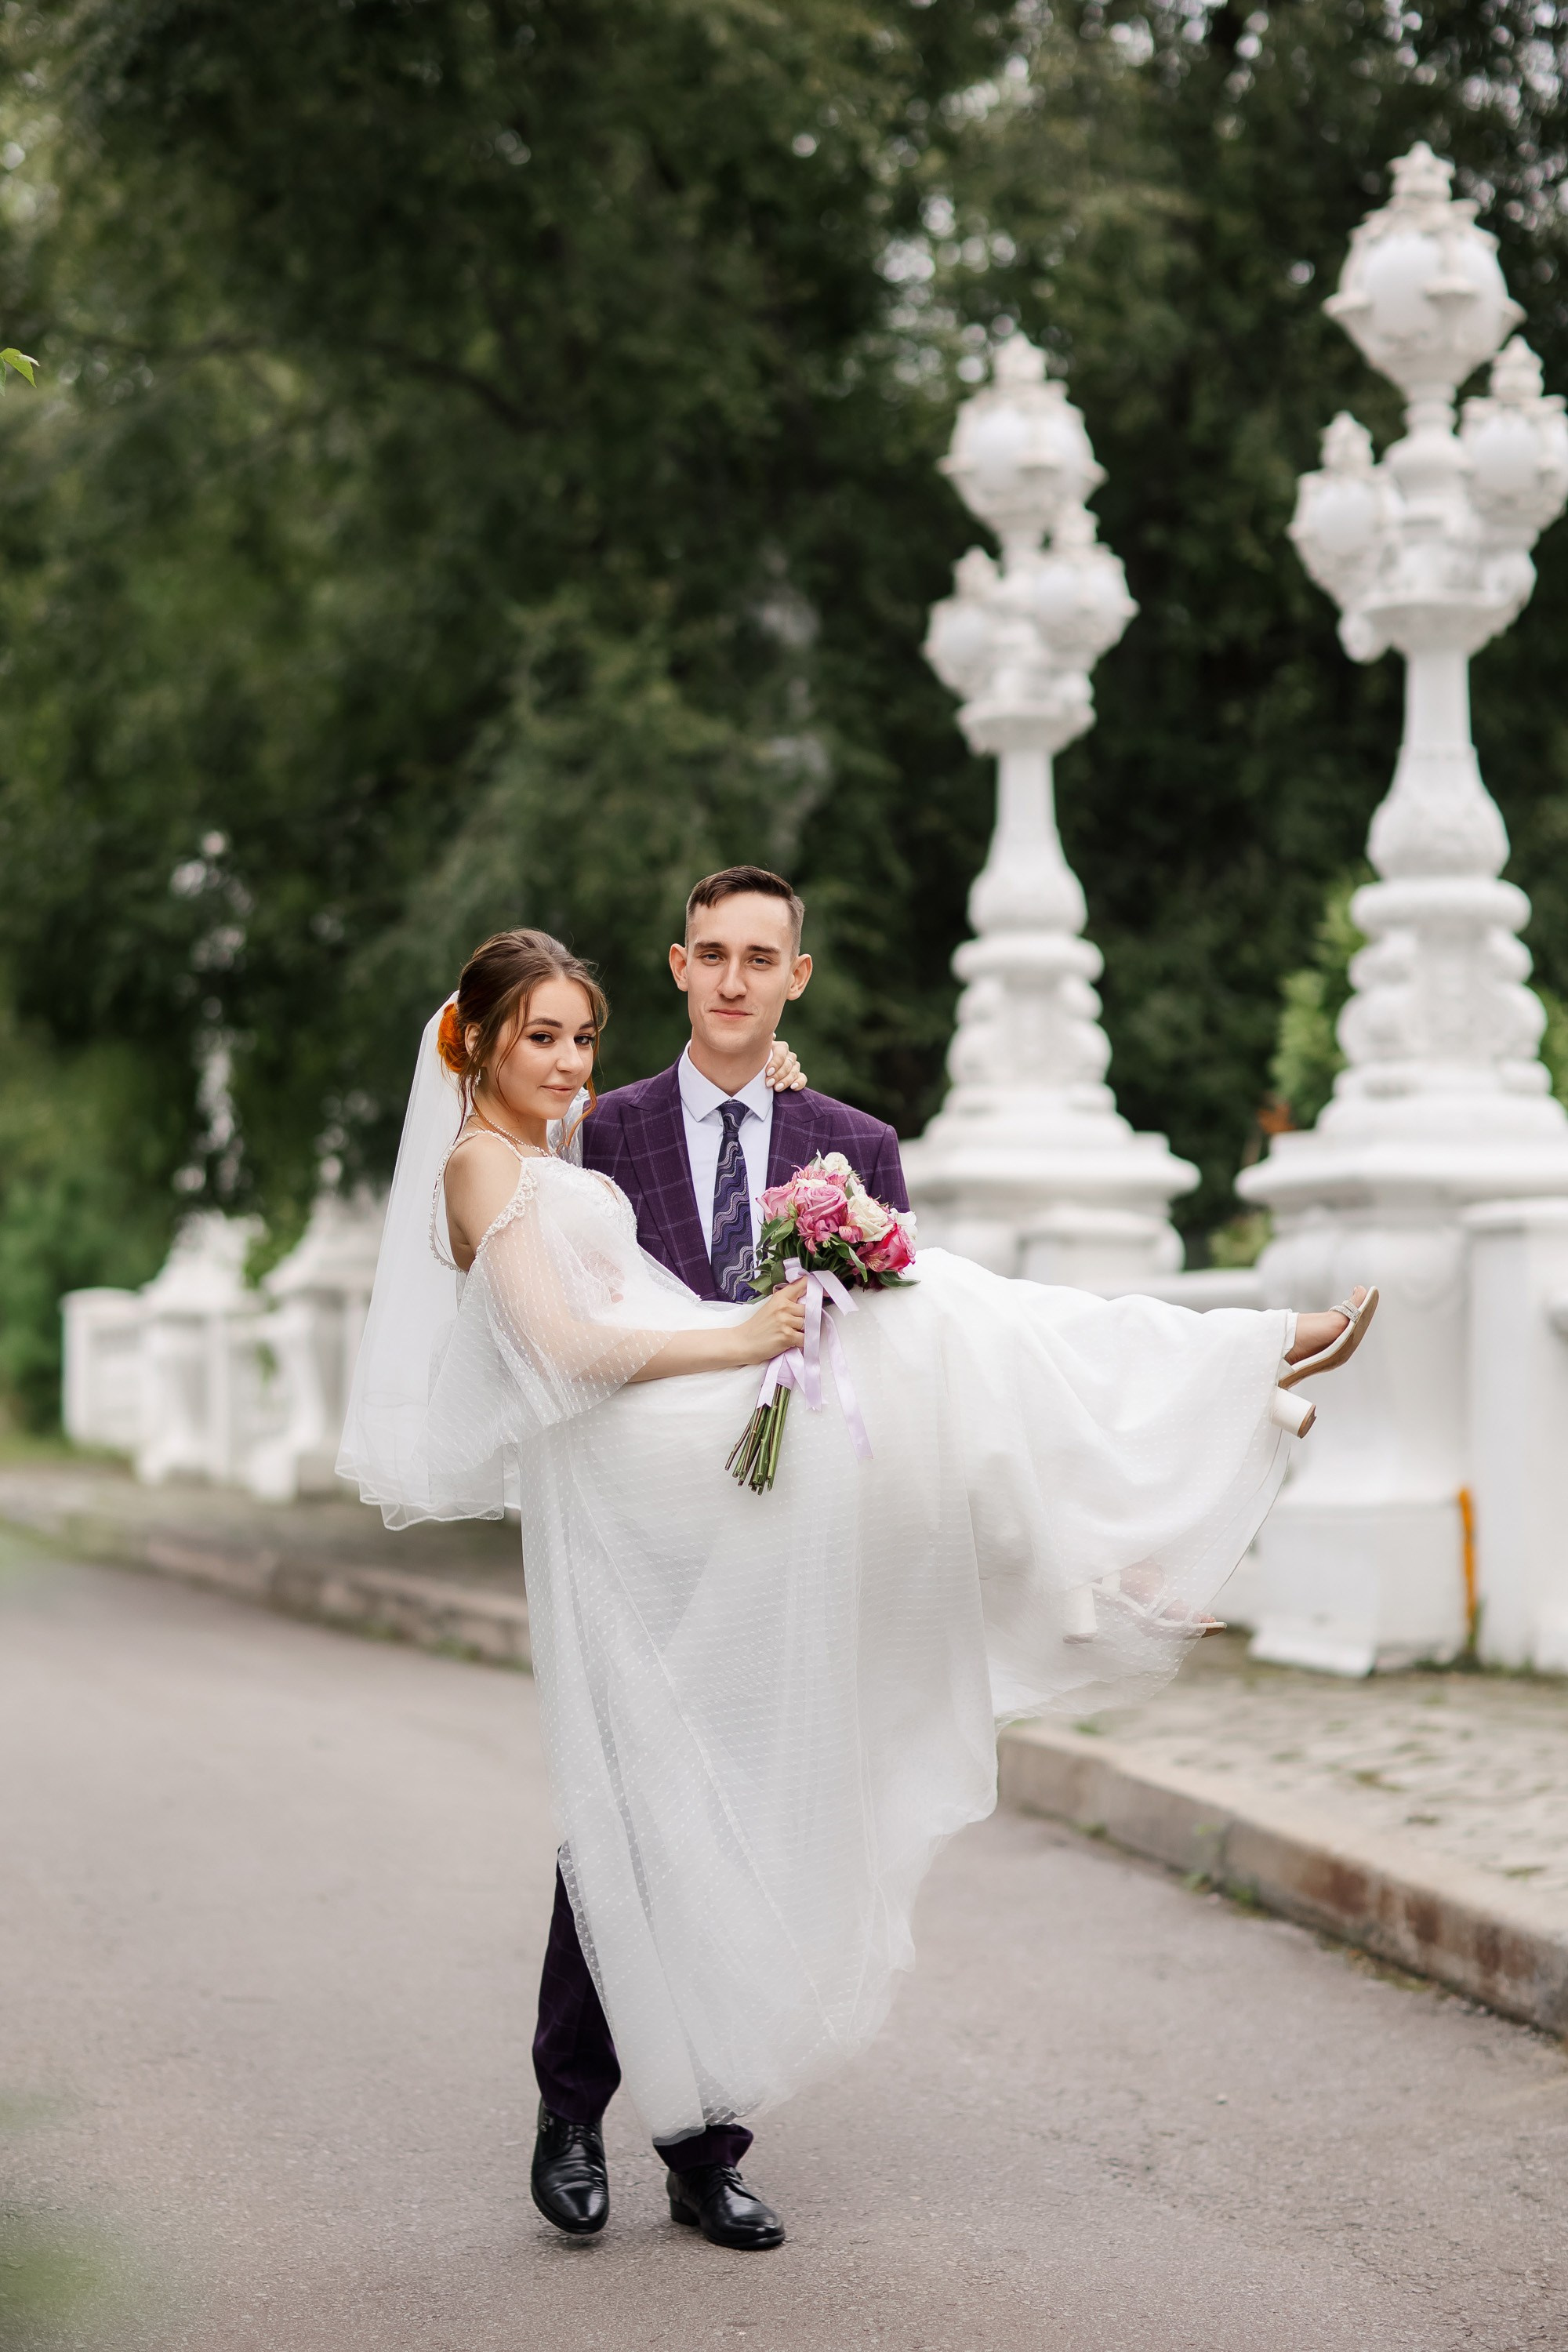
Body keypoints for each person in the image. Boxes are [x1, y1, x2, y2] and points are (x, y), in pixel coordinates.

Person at [338, 894, 1375, 2258]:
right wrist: (754, 1335)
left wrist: (788, 1299)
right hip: (654, 1488)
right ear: (679, 968)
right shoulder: (585, 1134)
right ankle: (571, 2116)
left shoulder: (836, 1141)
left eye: (757, 959)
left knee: (940, 1342)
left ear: (794, 978)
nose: (573, 1058)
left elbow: (912, 1415)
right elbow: (562, 1335)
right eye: (707, 956)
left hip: (782, 1515)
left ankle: (710, 2151)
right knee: (632, 1814)